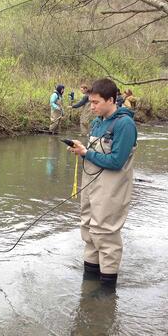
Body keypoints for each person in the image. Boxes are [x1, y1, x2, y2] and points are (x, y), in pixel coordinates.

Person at [67, 78, 137, 288]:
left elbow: (116, 161)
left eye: (96, 102)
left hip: (112, 190)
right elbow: (94, 155)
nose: (92, 106)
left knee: (105, 234)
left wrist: (86, 152)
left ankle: (106, 295)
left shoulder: (125, 124)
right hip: (91, 186)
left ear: (111, 99)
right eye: (90, 102)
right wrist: (81, 151)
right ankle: (88, 286)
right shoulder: (98, 123)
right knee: (88, 229)